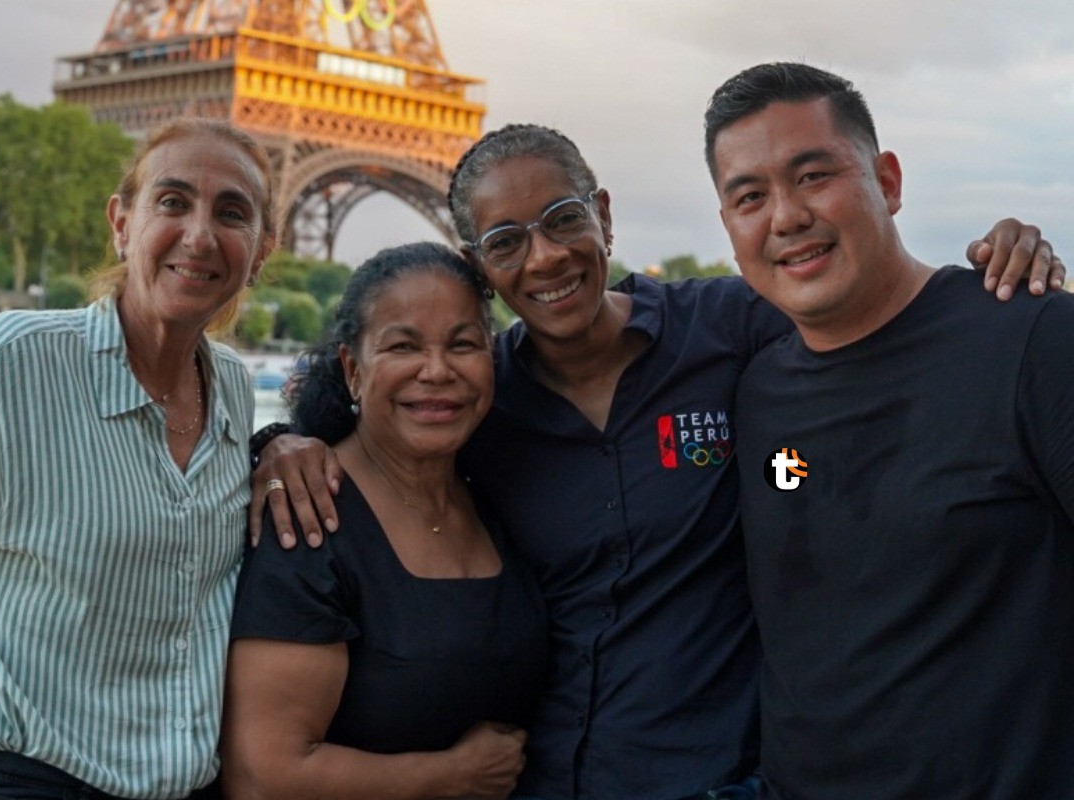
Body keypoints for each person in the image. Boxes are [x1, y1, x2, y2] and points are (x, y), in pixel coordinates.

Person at [251, 124, 1061, 799]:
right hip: (549, 780)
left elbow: (870, 320)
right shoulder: (478, 401)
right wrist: (278, 443)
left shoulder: (733, 331)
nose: (544, 258)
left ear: (603, 216)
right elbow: (384, 440)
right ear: (480, 265)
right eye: (505, 241)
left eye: (563, 219)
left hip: (718, 777)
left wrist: (994, 268)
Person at [0, 117, 274, 799]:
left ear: (261, 251)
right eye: (173, 201)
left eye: (231, 212)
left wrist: (286, 445)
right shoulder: (10, 363)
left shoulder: (235, 390)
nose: (201, 234)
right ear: (121, 223)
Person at [705, 62, 1074, 799]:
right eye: (750, 197)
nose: (784, 216)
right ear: (729, 226)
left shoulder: (1034, 342)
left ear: (890, 182)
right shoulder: (754, 390)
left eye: (813, 176)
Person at [221, 242, 548, 800]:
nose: (437, 370)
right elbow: (261, 776)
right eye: (403, 346)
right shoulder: (307, 518)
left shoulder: (494, 498)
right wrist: (451, 777)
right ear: (353, 369)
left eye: (464, 344)